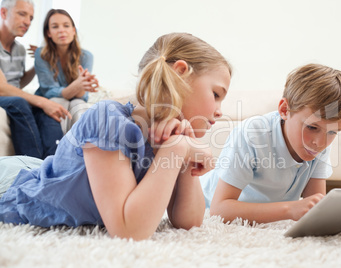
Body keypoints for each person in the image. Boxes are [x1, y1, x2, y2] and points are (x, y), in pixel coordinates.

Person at [0, 32, 232, 241]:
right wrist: (178, 149)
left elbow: (188, 223)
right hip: (12, 183)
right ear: (180, 73)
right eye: (216, 93)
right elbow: (128, 231)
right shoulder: (107, 119)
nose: (220, 110)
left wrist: (184, 154)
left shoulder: (171, 137)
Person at [201, 63, 341, 234]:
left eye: (333, 132)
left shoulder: (318, 141)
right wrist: (289, 209)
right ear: (284, 110)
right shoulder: (252, 134)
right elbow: (220, 210)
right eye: (312, 127)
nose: (320, 143)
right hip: (204, 202)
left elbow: (315, 206)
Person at [0, 0, 71, 159]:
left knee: (47, 111)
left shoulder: (19, 49)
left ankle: (57, 164)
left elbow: (18, 83)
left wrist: (40, 62)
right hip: (5, 97)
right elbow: (2, 88)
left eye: (31, 18)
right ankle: (35, 166)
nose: (27, 22)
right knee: (23, 103)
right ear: (3, 13)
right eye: (22, 14)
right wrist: (41, 101)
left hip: (10, 97)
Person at [34, 9, 99, 133]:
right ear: (48, 33)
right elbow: (49, 92)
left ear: (73, 30)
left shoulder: (86, 56)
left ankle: (82, 147)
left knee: (79, 105)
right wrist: (77, 85)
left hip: (75, 102)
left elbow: (82, 96)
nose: (61, 30)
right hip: (50, 104)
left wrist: (81, 85)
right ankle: (60, 148)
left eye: (66, 26)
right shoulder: (41, 54)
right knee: (58, 101)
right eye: (55, 27)